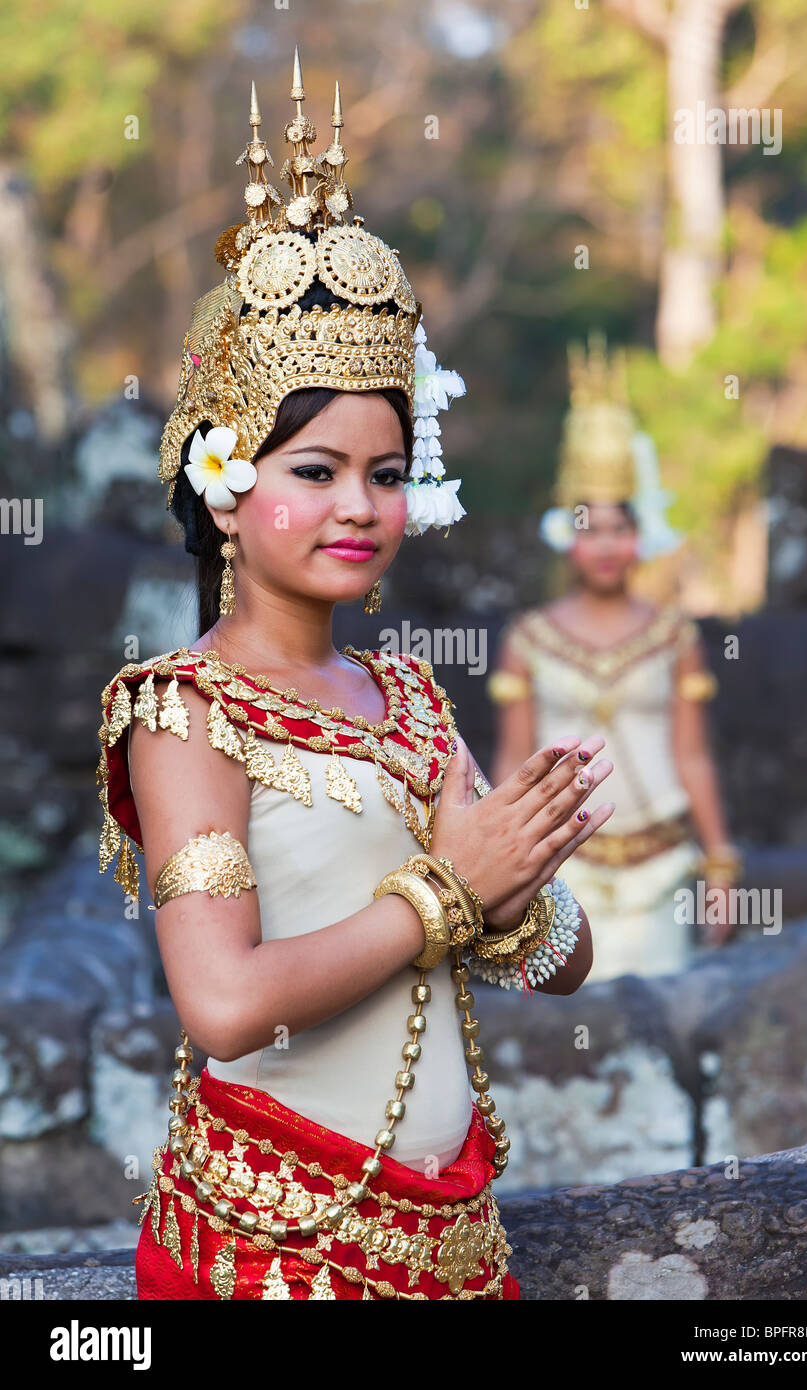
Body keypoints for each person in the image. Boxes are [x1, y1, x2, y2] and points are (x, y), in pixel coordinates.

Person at [95, 60, 614, 1302]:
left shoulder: (407, 697)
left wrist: (525, 884)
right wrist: (451, 890)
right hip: (265, 1256)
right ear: (226, 477)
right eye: (317, 470)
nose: (360, 507)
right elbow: (222, 1003)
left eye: (386, 474)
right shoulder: (185, 714)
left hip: (451, 1243)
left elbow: (561, 961)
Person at [488, 336, 740, 984]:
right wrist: (498, 880)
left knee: (665, 1031)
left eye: (618, 529)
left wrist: (720, 865)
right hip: (561, 872)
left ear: (641, 536)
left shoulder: (675, 636)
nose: (604, 545)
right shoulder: (528, 637)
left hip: (660, 871)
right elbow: (514, 767)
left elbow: (693, 755)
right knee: (568, 1046)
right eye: (588, 527)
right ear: (567, 536)